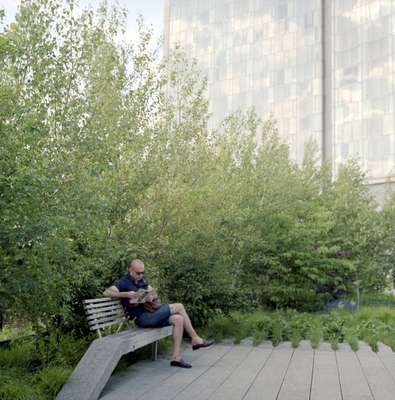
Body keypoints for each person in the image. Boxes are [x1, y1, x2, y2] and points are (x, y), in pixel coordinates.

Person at [103, 259, 214, 368]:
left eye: (143, 272)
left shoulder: (143, 280)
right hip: (142, 318)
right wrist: (127, 294)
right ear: (130, 270)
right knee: (179, 306)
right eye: (138, 273)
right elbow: (107, 292)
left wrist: (152, 296)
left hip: (152, 313)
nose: (141, 275)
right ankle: (195, 338)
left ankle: (176, 358)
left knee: (178, 319)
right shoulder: (124, 282)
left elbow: (154, 293)